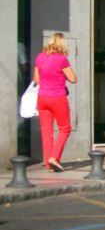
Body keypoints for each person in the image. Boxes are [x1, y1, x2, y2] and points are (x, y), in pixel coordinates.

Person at [33, 33, 77, 172]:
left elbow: (36, 80)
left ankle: (48, 164)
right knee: (65, 128)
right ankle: (54, 157)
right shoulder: (62, 59)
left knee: (47, 132)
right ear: (63, 44)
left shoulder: (39, 57)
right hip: (57, 97)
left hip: (42, 98)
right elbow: (73, 79)